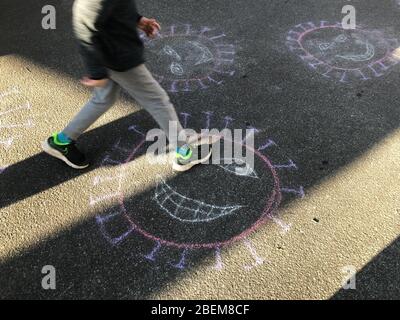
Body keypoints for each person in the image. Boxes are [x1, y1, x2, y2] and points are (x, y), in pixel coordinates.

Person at [41, 0, 211, 172]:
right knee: (158, 101)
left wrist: (137, 19)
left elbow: (115, 7)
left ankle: (62, 141)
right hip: (119, 59)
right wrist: (97, 72)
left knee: (103, 99)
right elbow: (84, 30)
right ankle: (185, 152)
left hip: (114, 54)